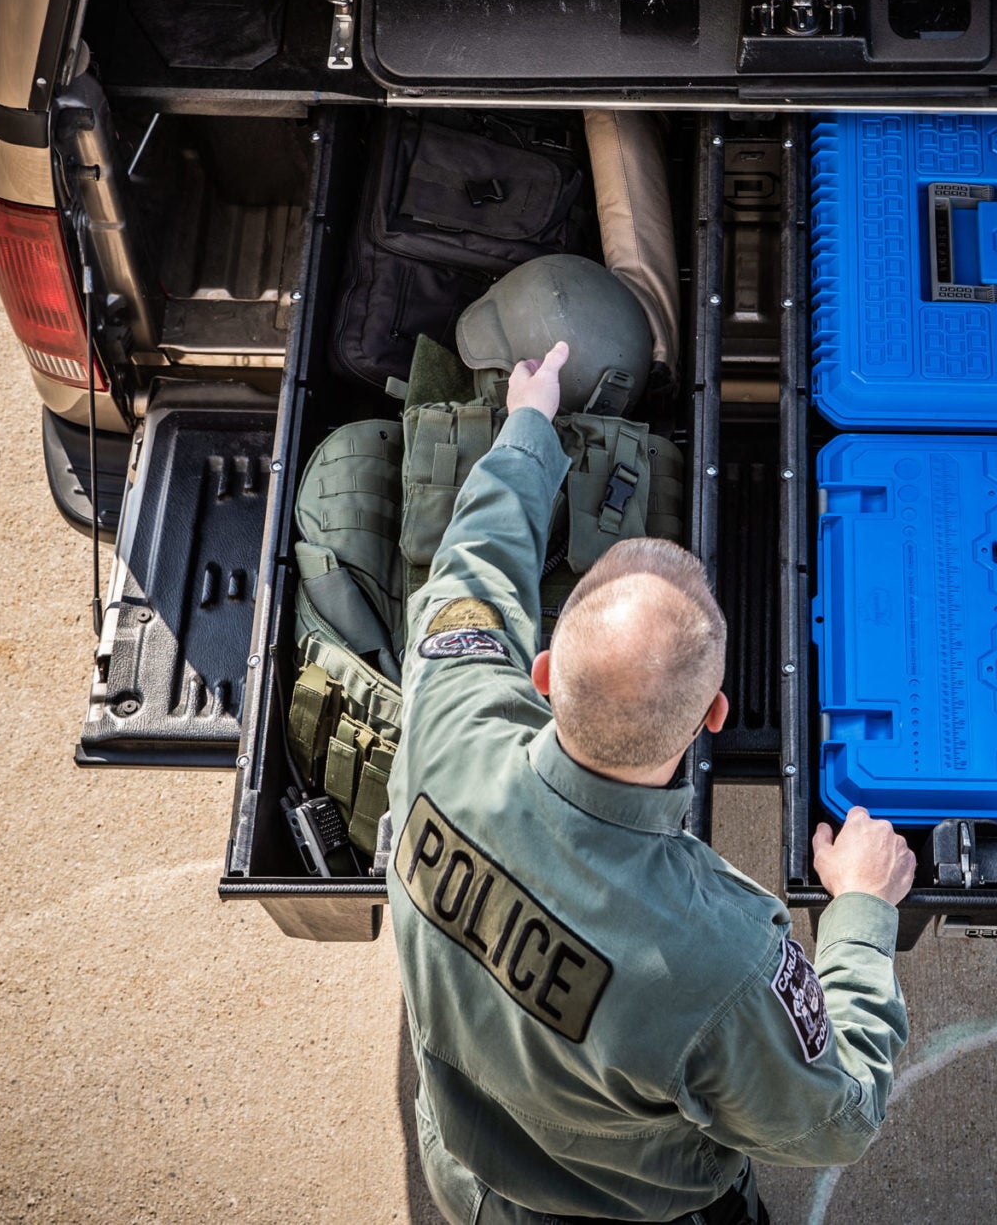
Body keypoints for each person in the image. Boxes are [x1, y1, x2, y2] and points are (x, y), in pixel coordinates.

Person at [387, 340, 915, 1225]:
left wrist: (528, 425)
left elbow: (472, 568)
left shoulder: (449, 718)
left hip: (472, 1181)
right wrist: (861, 912)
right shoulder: (724, 955)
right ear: (714, 717)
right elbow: (839, 1117)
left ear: (545, 672)